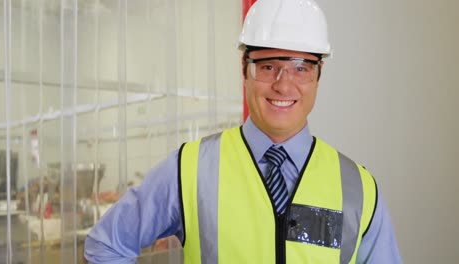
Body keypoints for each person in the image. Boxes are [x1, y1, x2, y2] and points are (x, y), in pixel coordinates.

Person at [84, 0, 402, 263]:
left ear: (318, 76)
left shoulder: (358, 188)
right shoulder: (190, 169)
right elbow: (104, 246)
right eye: (267, 66)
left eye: (301, 67)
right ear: (244, 70)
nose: (283, 83)